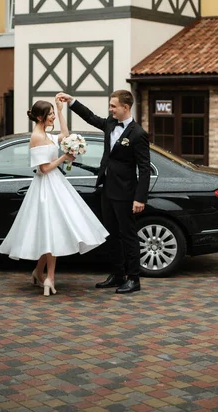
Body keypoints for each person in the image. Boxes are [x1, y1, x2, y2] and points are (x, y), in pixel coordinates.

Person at [0, 96, 109, 296]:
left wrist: (60, 110)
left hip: (56, 184)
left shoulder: (45, 134)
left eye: (52, 115)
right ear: (40, 117)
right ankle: (50, 277)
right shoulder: (37, 137)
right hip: (45, 187)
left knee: (53, 231)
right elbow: (44, 168)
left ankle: (38, 272)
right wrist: (64, 157)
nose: (52, 118)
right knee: (52, 231)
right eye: (49, 115)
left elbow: (65, 135)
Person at [56, 90, 150, 294]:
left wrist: (139, 198)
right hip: (107, 188)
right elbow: (90, 117)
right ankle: (117, 275)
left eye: (113, 106)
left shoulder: (138, 134)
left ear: (125, 107)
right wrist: (72, 102)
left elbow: (144, 169)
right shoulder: (109, 123)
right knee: (112, 235)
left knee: (128, 235)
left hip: (126, 193)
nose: (110, 109)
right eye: (110, 106)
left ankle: (134, 279)